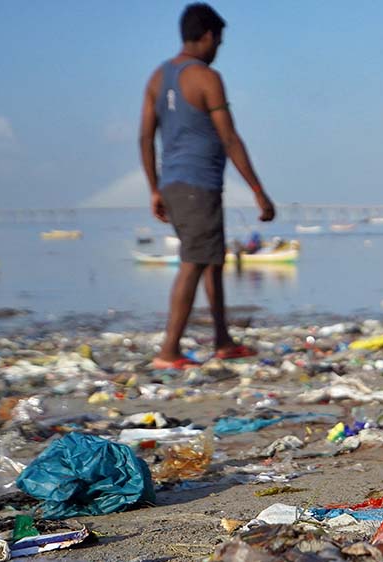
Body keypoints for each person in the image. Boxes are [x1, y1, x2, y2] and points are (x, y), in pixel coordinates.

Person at [139, 3, 274, 370]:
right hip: (199, 184)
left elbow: (145, 138)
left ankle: (222, 340)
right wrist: (258, 191)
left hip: (174, 183)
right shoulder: (206, 78)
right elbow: (229, 138)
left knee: (212, 260)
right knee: (195, 262)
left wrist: (154, 188)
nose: (218, 49)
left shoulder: (157, 77)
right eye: (220, 41)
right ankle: (168, 351)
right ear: (209, 36)